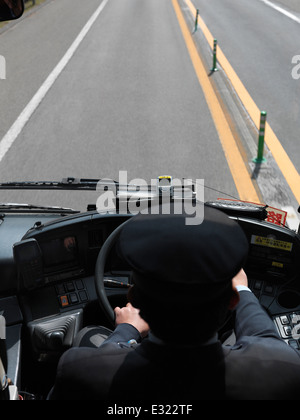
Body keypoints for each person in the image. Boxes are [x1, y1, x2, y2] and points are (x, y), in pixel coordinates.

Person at [49, 206, 300, 400]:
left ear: (133, 298)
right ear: (231, 301)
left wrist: (127, 330)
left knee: (89, 334)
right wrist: (244, 290)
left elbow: (104, 361)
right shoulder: (283, 372)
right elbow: (265, 337)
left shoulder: (78, 373)